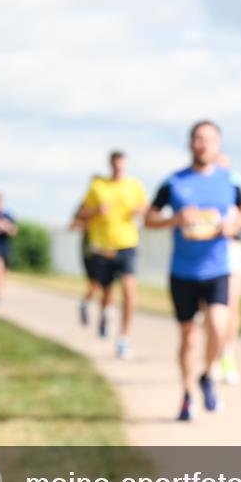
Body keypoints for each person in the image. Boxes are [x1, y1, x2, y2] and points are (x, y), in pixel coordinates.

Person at [146, 121, 241, 421]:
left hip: (217, 267)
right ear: (191, 144)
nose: (204, 144)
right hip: (183, 270)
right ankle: (188, 392)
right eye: (199, 139)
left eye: (210, 139)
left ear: (218, 144)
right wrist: (174, 219)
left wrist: (234, 224)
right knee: (188, 337)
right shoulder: (174, 182)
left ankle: (207, 374)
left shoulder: (229, 181)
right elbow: (150, 219)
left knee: (219, 325)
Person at [75, 151, 149, 358]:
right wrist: (97, 210)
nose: (118, 169)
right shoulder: (98, 187)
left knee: (129, 290)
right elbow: (80, 213)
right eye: (115, 165)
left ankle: (123, 338)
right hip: (103, 246)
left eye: (122, 165)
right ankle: (105, 315)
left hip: (128, 244)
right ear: (110, 164)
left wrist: (139, 211)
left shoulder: (134, 186)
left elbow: (146, 208)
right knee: (105, 291)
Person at [216, 154, 241, 384]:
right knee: (211, 311)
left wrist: (234, 223)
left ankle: (227, 355)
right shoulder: (202, 192)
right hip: (204, 255)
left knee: (230, 307)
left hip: (232, 251)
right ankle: (212, 355)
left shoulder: (236, 189)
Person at [72, 175, 107, 327]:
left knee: (108, 285)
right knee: (96, 283)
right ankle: (85, 303)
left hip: (107, 248)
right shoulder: (86, 206)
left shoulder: (109, 204)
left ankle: (104, 319)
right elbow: (74, 224)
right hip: (90, 249)